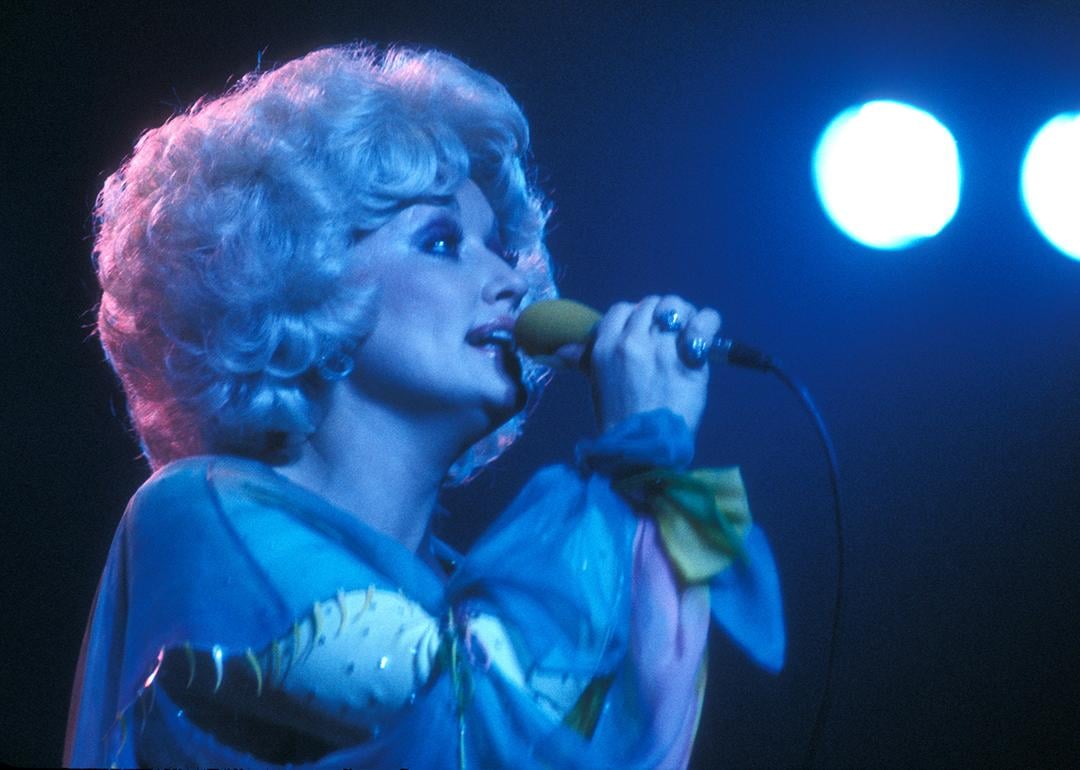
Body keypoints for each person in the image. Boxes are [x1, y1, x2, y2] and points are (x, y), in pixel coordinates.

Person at [64, 43, 784, 769]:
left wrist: (655, 472)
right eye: (442, 241)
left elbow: (644, 744)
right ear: (301, 284)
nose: (511, 280)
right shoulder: (192, 516)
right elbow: (470, 733)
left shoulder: (470, 597)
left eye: (501, 248)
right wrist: (634, 443)